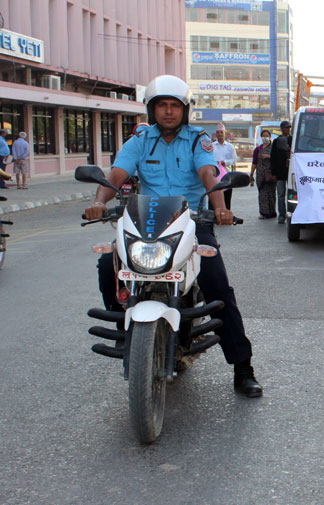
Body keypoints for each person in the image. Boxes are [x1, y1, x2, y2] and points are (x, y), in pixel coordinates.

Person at [83, 74, 262, 398]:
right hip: (146, 222)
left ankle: (243, 368)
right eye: (161, 106)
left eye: (174, 106)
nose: (168, 111)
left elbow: (209, 174)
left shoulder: (198, 140)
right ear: (152, 110)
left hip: (190, 221)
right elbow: (117, 174)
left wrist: (220, 209)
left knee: (217, 283)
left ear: (185, 110)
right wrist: (99, 202)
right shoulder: (140, 139)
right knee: (108, 262)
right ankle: (126, 334)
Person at [250, 130, 276, 219]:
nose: (265, 137)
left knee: (271, 193)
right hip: (260, 175)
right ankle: (264, 213)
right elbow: (254, 162)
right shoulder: (258, 149)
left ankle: (272, 212)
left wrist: (268, 156)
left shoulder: (273, 148)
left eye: (267, 135)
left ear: (270, 136)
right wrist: (251, 173)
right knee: (262, 193)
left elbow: (278, 159)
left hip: (270, 174)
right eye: (263, 136)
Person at [270, 120, 292, 224]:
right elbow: (273, 159)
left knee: (292, 194)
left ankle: (292, 213)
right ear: (281, 129)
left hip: (291, 171)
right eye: (285, 127)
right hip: (280, 172)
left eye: (289, 127)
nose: (287, 129)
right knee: (281, 194)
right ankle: (282, 215)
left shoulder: (293, 140)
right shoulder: (276, 141)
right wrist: (273, 173)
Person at [212, 124, 237, 210]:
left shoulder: (230, 146)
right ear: (216, 134)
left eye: (221, 132)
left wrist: (225, 162)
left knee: (227, 197)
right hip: (215, 175)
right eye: (218, 132)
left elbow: (234, 159)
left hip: (226, 174)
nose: (219, 134)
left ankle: (226, 214)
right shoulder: (212, 146)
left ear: (225, 133)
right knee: (214, 195)